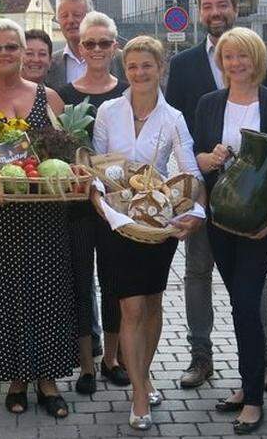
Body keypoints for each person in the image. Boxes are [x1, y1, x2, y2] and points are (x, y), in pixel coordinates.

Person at [0, 18, 77, 418]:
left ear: (25, 52)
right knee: (3, 295)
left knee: (48, 293)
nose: (4, 54)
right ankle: (16, 378)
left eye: (12, 47)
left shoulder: (50, 98)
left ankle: (49, 379)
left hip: (44, 217)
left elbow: (67, 154)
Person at [165, 0, 267, 391]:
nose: (216, 12)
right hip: (204, 192)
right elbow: (179, 132)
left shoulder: (260, 60)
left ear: (235, 8)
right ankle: (200, 357)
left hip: (252, 202)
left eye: (223, 5)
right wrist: (193, 180)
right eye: (208, 6)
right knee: (197, 273)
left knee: (255, 280)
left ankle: (263, 359)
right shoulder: (183, 66)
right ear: (200, 13)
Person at [92, 35, 205, 430]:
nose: (139, 73)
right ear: (125, 72)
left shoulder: (173, 118)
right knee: (131, 308)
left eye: (147, 66)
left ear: (161, 69)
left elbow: (189, 170)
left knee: (153, 305)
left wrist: (198, 212)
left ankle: (146, 372)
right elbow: (96, 170)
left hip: (157, 226)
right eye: (133, 67)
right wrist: (105, 208)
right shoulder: (108, 111)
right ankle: (139, 390)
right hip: (115, 225)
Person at [194, 28, 267, 434]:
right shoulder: (208, 104)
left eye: (243, 57)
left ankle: (253, 399)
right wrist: (210, 157)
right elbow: (196, 157)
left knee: (247, 300)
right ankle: (247, 381)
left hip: (259, 220)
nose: (236, 64)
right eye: (228, 57)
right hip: (220, 218)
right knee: (238, 300)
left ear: (257, 59)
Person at [55, 12, 129, 394]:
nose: (97, 49)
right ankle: (86, 364)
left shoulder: (129, 91)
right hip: (79, 206)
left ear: (115, 46)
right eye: (90, 43)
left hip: (118, 204)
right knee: (80, 283)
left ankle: (113, 359)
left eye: (105, 42)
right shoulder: (65, 96)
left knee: (115, 281)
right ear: (79, 47)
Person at [46, 0, 122, 88]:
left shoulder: (121, 60)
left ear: (90, 17)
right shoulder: (50, 64)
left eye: (77, 15)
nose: (70, 20)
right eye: (64, 16)